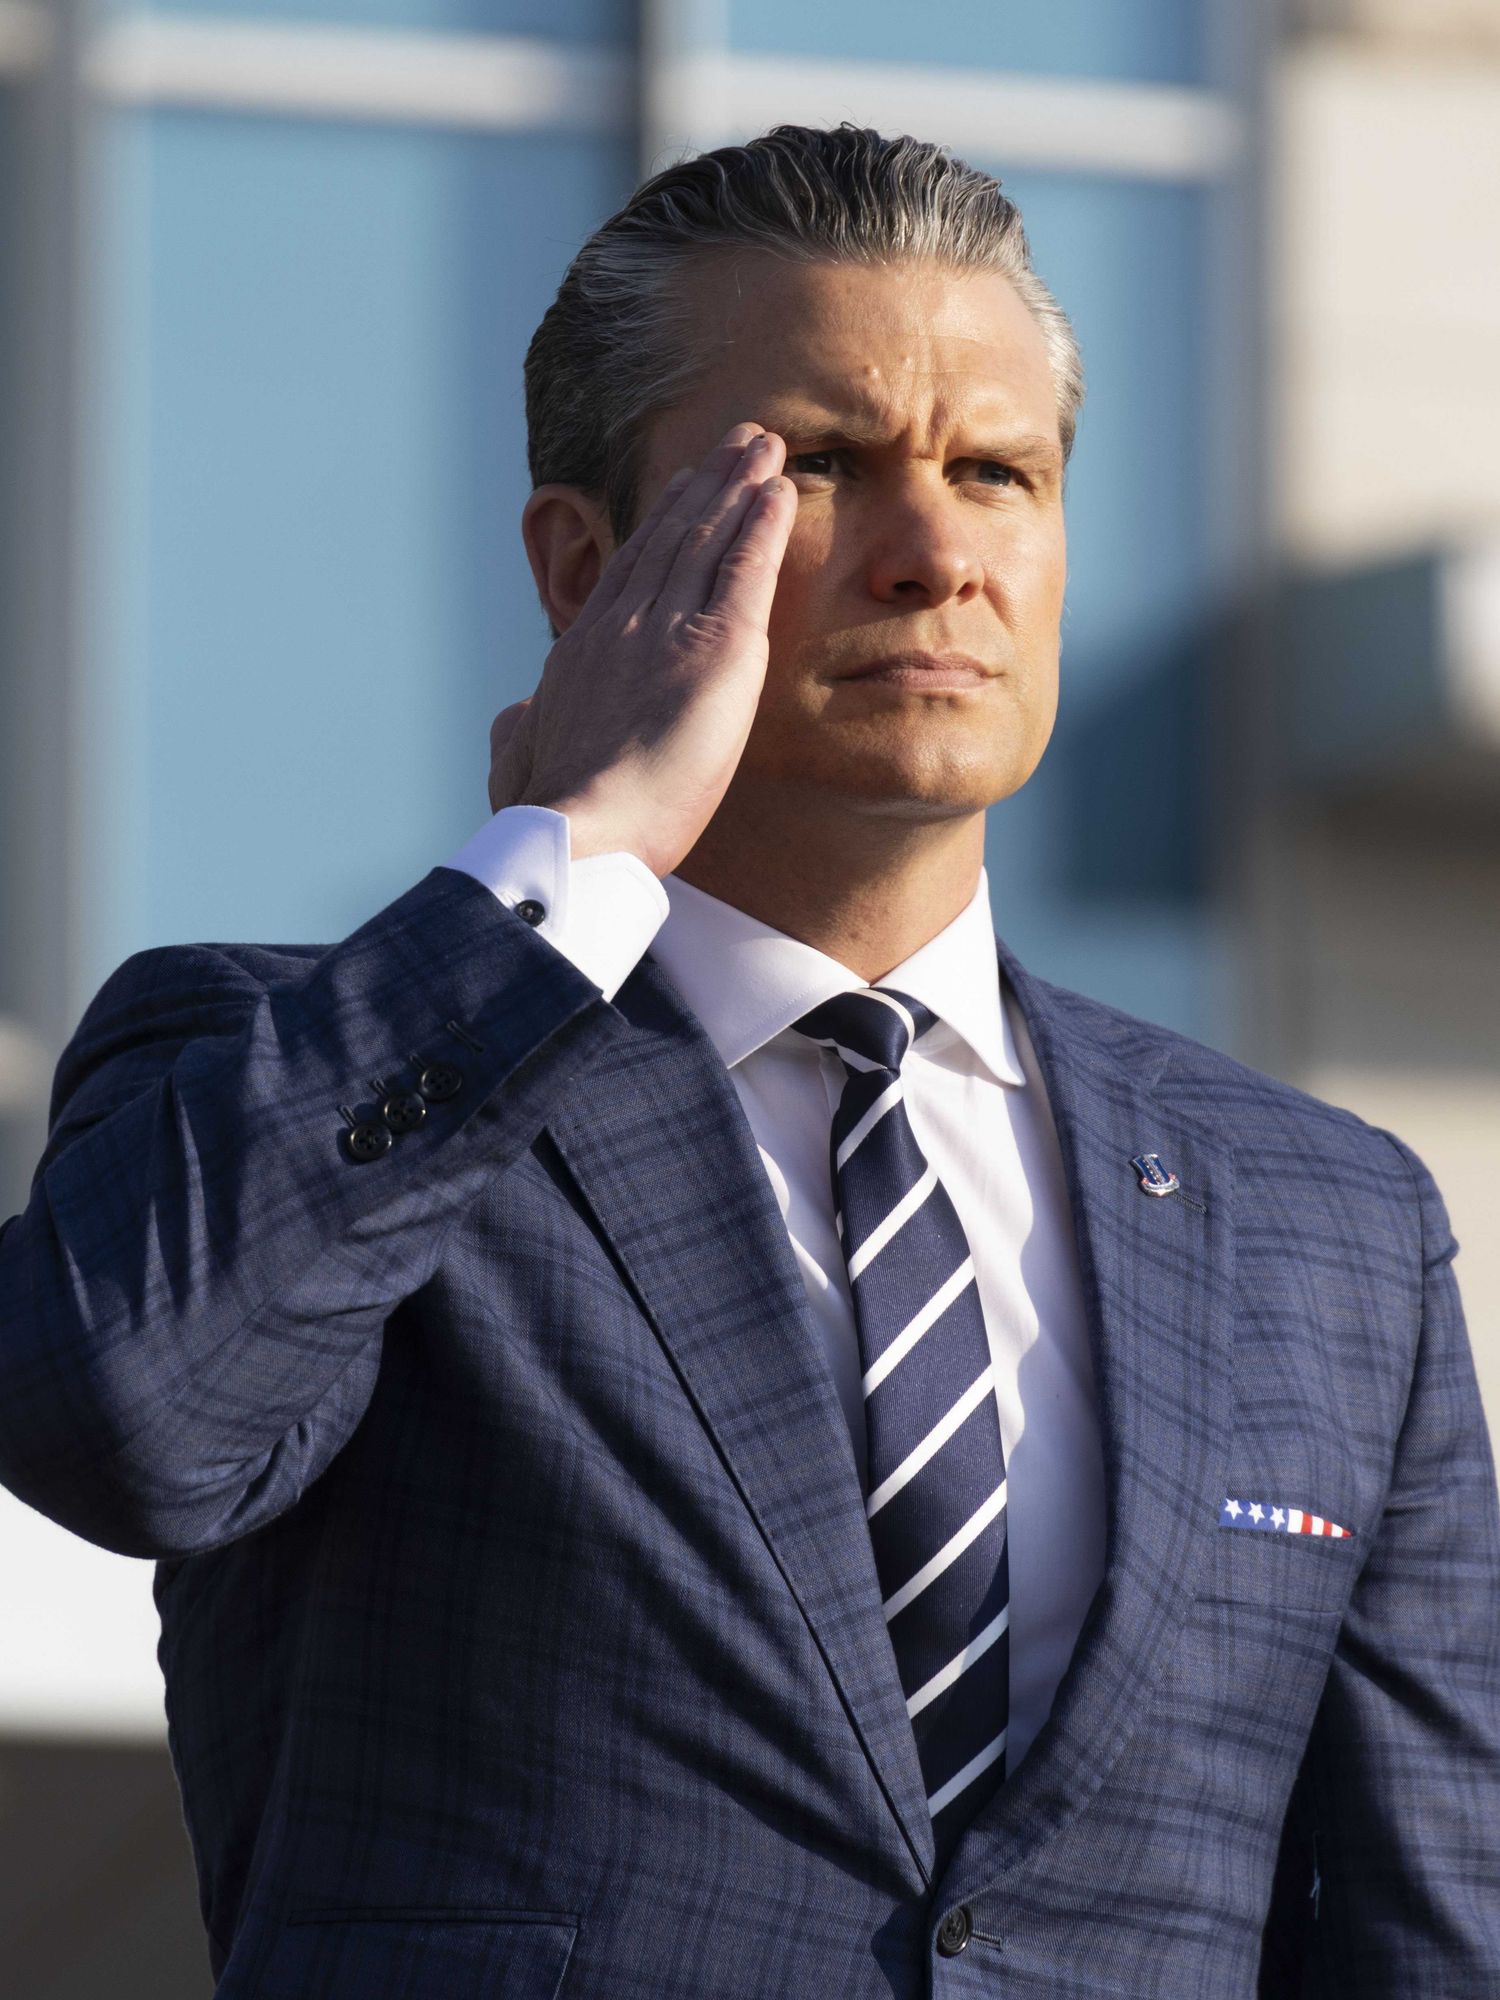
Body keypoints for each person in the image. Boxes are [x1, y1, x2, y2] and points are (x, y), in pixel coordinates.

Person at [0, 123, 1496, 1999]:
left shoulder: (1334, 1225)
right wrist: (576, 856)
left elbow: (1434, 1933)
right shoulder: (288, 1060)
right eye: (829, 470)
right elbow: (119, 1416)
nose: (938, 553)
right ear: (584, 563)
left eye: (998, 473)